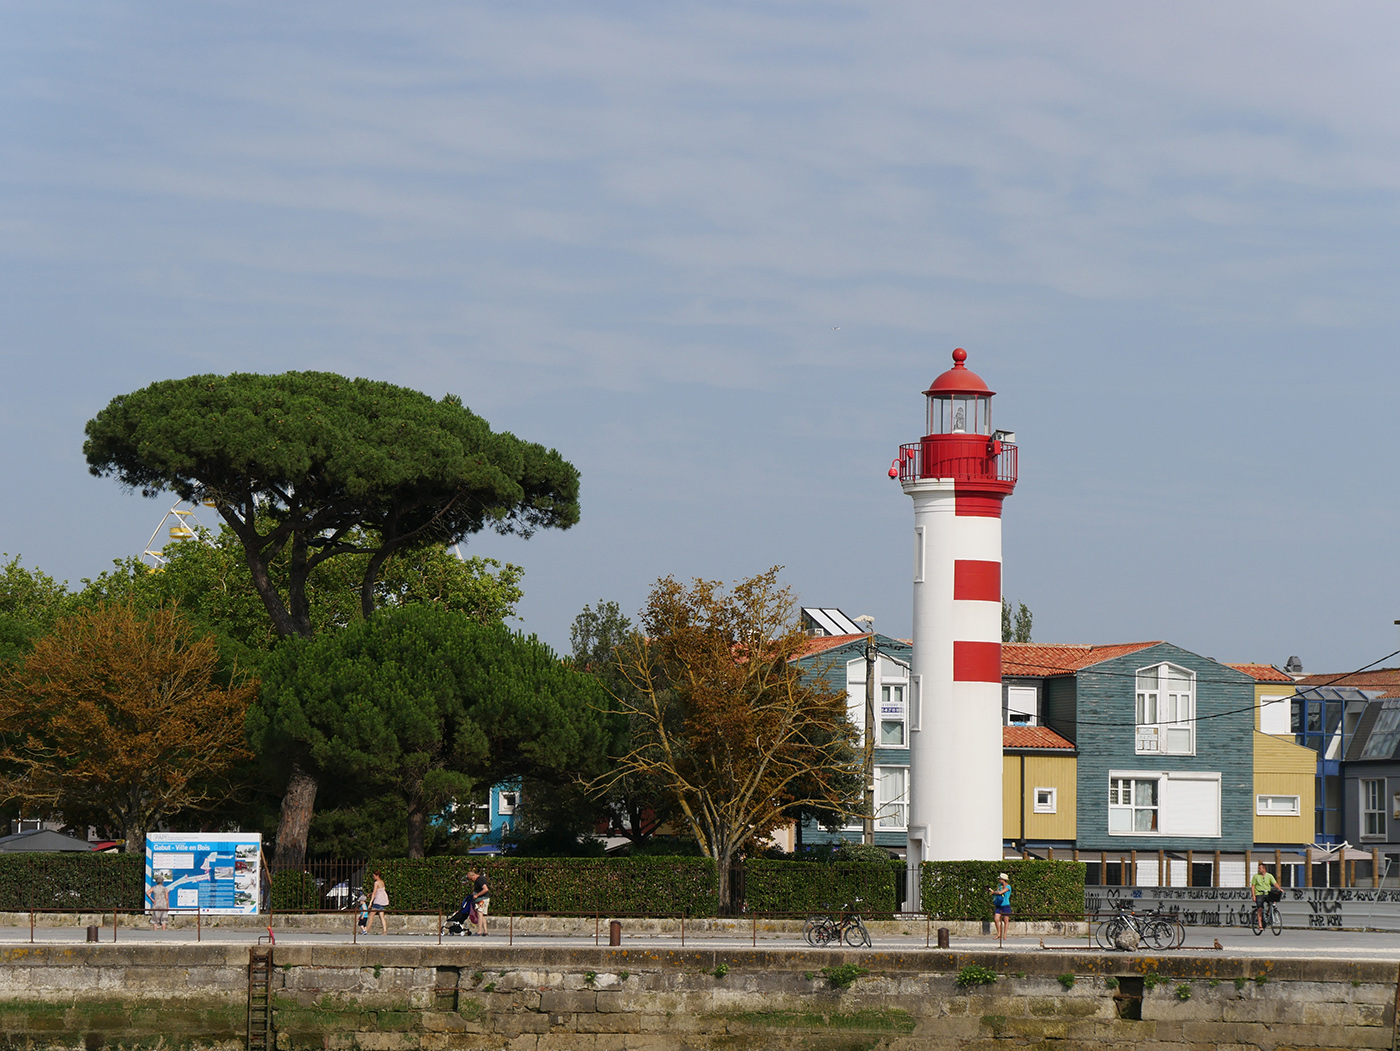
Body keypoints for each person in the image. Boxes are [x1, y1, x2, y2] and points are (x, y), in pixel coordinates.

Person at [1250, 861, 1282, 931]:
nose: (1259, 870)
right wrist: (1253, 895)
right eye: (1258, 868)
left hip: (1267, 893)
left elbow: (1274, 883)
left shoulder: (1269, 876)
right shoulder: (1256, 876)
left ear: (1264, 869)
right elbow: (1253, 886)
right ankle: (1260, 925)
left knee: (1272, 902)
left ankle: (1268, 915)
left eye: (1260, 868)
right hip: (1259, 894)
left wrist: (1279, 889)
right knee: (1260, 908)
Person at [467, 868, 490, 936]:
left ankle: (479, 931)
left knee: (479, 913)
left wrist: (477, 895)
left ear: (473, 876)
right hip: (484, 898)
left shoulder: (479, 880)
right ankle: (485, 931)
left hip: (482, 899)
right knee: (482, 915)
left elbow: (485, 889)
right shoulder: (480, 879)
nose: (471, 881)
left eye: (471, 879)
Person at [990, 872, 1011, 940]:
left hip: (1006, 905)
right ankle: (999, 933)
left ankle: (1004, 935)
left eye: (1000, 879)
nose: (999, 880)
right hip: (999, 905)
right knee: (996, 919)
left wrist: (994, 892)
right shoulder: (999, 886)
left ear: (1003, 879)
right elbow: (998, 892)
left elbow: (1000, 892)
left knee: (1006, 920)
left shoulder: (1008, 887)